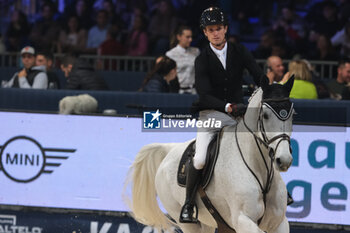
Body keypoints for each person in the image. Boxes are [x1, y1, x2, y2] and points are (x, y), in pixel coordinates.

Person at [179, 7, 265, 223]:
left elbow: (257, 74)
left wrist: (270, 89)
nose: (215, 33)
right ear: (205, 33)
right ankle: (189, 203)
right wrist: (227, 107)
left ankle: (275, 192)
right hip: (212, 114)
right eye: (211, 30)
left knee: (264, 143)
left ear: (225, 28)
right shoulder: (202, 59)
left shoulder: (240, 51)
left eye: (218, 28)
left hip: (239, 114)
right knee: (199, 159)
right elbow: (204, 95)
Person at [166, 25, 200, 94]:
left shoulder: (196, 51)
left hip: (194, 91)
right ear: (179, 37)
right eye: (187, 37)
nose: (190, 40)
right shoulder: (171, 54)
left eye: (191, 37)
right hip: (178, 92)